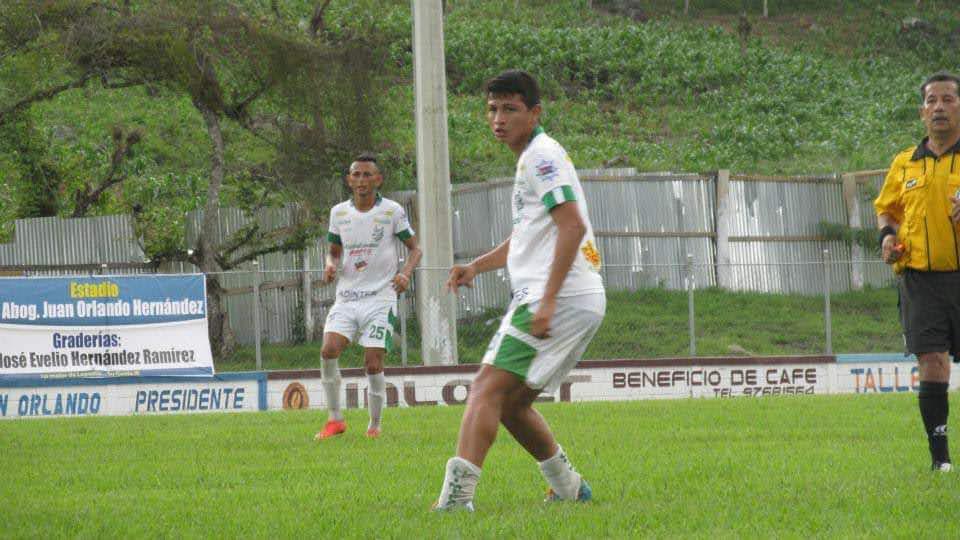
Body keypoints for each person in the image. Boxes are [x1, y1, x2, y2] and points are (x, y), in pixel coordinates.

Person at [433, 70, 606, 511]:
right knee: (512, 405)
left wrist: (546, 301)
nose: (499, 118)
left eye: (510, 109)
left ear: (535, 113)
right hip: (578, 296)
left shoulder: (540, 158)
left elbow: (572, 225)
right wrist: (477, 266)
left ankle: (456, 503)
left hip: (558, 296)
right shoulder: (535, 156)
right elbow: (535, 234)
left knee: (485, 389)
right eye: (492, 109)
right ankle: (569, 488)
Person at [875, 71, 960, 472]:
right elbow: (888, 209)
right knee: (931, 361)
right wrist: (887, 239)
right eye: (932, 101)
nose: (940, 107)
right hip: (920, 280)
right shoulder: (904, 163)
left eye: (948, 99)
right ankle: (940, 459)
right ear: (922, 111)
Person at [315, 154, 421, 440]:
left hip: (380, 297)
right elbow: (334, 250)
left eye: (367, 175)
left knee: (373, 362)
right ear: (349, 180)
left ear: (378, 180)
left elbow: (415, 249)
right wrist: (330, 264)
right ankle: (335, 419)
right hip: (347, 296)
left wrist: (405, 274)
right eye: (356, 175)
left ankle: (374, 425)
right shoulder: (339, 213)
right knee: (328, 350)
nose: (361, 180)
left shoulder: (392, 211)